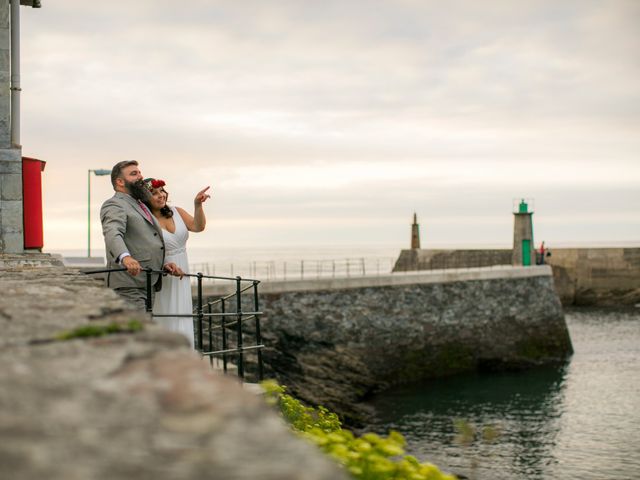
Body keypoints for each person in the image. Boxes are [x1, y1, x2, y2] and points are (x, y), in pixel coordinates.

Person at [100, 161, 183, 310]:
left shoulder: (141, 205)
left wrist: (162, 264)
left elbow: (142, 241)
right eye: (133, 174)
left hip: (147, 281)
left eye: (139, 172)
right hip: (128, 284)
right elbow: (112, 232)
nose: (140, 176)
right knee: (134, 329)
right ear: (120, 182)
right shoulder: (114, 204)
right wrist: (125, 257)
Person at [144, 177, 211, 348]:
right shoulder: (145, 220)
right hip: (163, 271)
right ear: (144, 198)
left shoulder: (177, 211)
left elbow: (198, 226)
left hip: (183, 269)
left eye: (162, 191)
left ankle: (184, 353)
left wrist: (198, 205)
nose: (160, 195)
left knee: (182, 312)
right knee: (164, 312)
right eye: (154, 193)